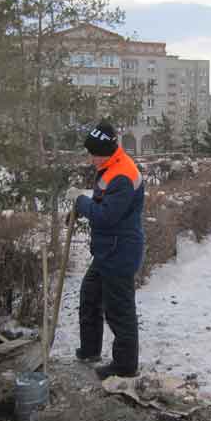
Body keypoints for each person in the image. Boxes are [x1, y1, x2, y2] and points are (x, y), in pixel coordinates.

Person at [69, 121, 145, 380]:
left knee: (119, 311)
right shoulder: (109, 166)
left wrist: (81, 202)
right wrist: (80, 211)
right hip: (107, 250)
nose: (90, 159)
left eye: (93, 153)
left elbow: (106, 216)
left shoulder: (122, 174)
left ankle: (125, 365)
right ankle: (90, 350)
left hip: (119, 252)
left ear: (105, 150)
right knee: (89, 297)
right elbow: (101, 204)